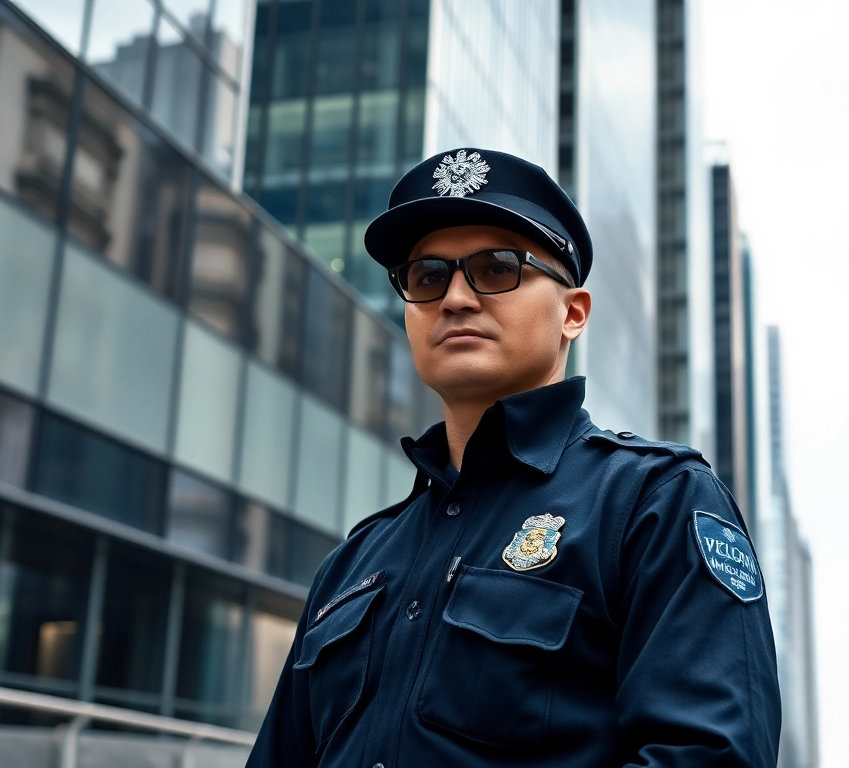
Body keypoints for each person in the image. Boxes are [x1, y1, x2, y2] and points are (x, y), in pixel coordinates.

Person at [247, 148, 781, 768]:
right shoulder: (351, 564)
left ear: (572, 314)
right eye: (427, 277)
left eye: (496, 268)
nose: (454, 298)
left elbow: (709, 757)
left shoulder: (653, 501)